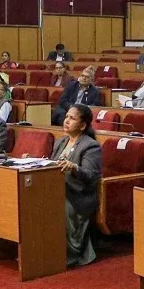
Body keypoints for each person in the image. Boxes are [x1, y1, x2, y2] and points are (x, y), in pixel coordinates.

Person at [50, 104, 102, 267]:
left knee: (58, 203)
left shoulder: (90, 146)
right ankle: (43, 249)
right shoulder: (61, 141)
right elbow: (52, 165)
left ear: (83, 125)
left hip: (79, 195)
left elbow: (90, 175)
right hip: (58, 188)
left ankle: (68, 253)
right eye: (66, 117)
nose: (66, 121)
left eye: (72, 118)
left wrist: (74, 167)